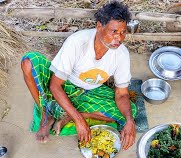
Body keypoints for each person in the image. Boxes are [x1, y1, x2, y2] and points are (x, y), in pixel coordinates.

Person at [21, 1, 136, 150]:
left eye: (123, 32)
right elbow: (55, 86)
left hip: (90, 92)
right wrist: (79, 122)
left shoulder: (121, 54)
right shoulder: (77, 42)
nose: (119, 38)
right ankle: (46, 114)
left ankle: (70, 115)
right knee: (29, 62)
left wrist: (130, 121)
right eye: (114, 31)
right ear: (99, 26)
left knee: (130, 112)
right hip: (65, 84)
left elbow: (121, 94)